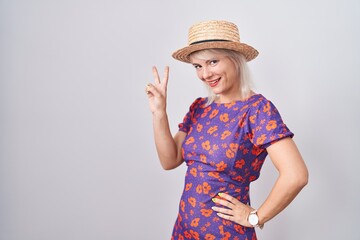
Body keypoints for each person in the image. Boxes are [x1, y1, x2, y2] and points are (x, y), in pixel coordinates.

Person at [145, 20, 308, 240]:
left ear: (235, 59)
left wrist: (256, 217)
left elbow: (296, 175)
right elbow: (169, 160)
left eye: (213, 61)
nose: (205, 74)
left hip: (226, 234)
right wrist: (159, 113)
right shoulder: (200, 108)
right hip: (184, 230)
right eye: (198, 66)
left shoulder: (257, 110)